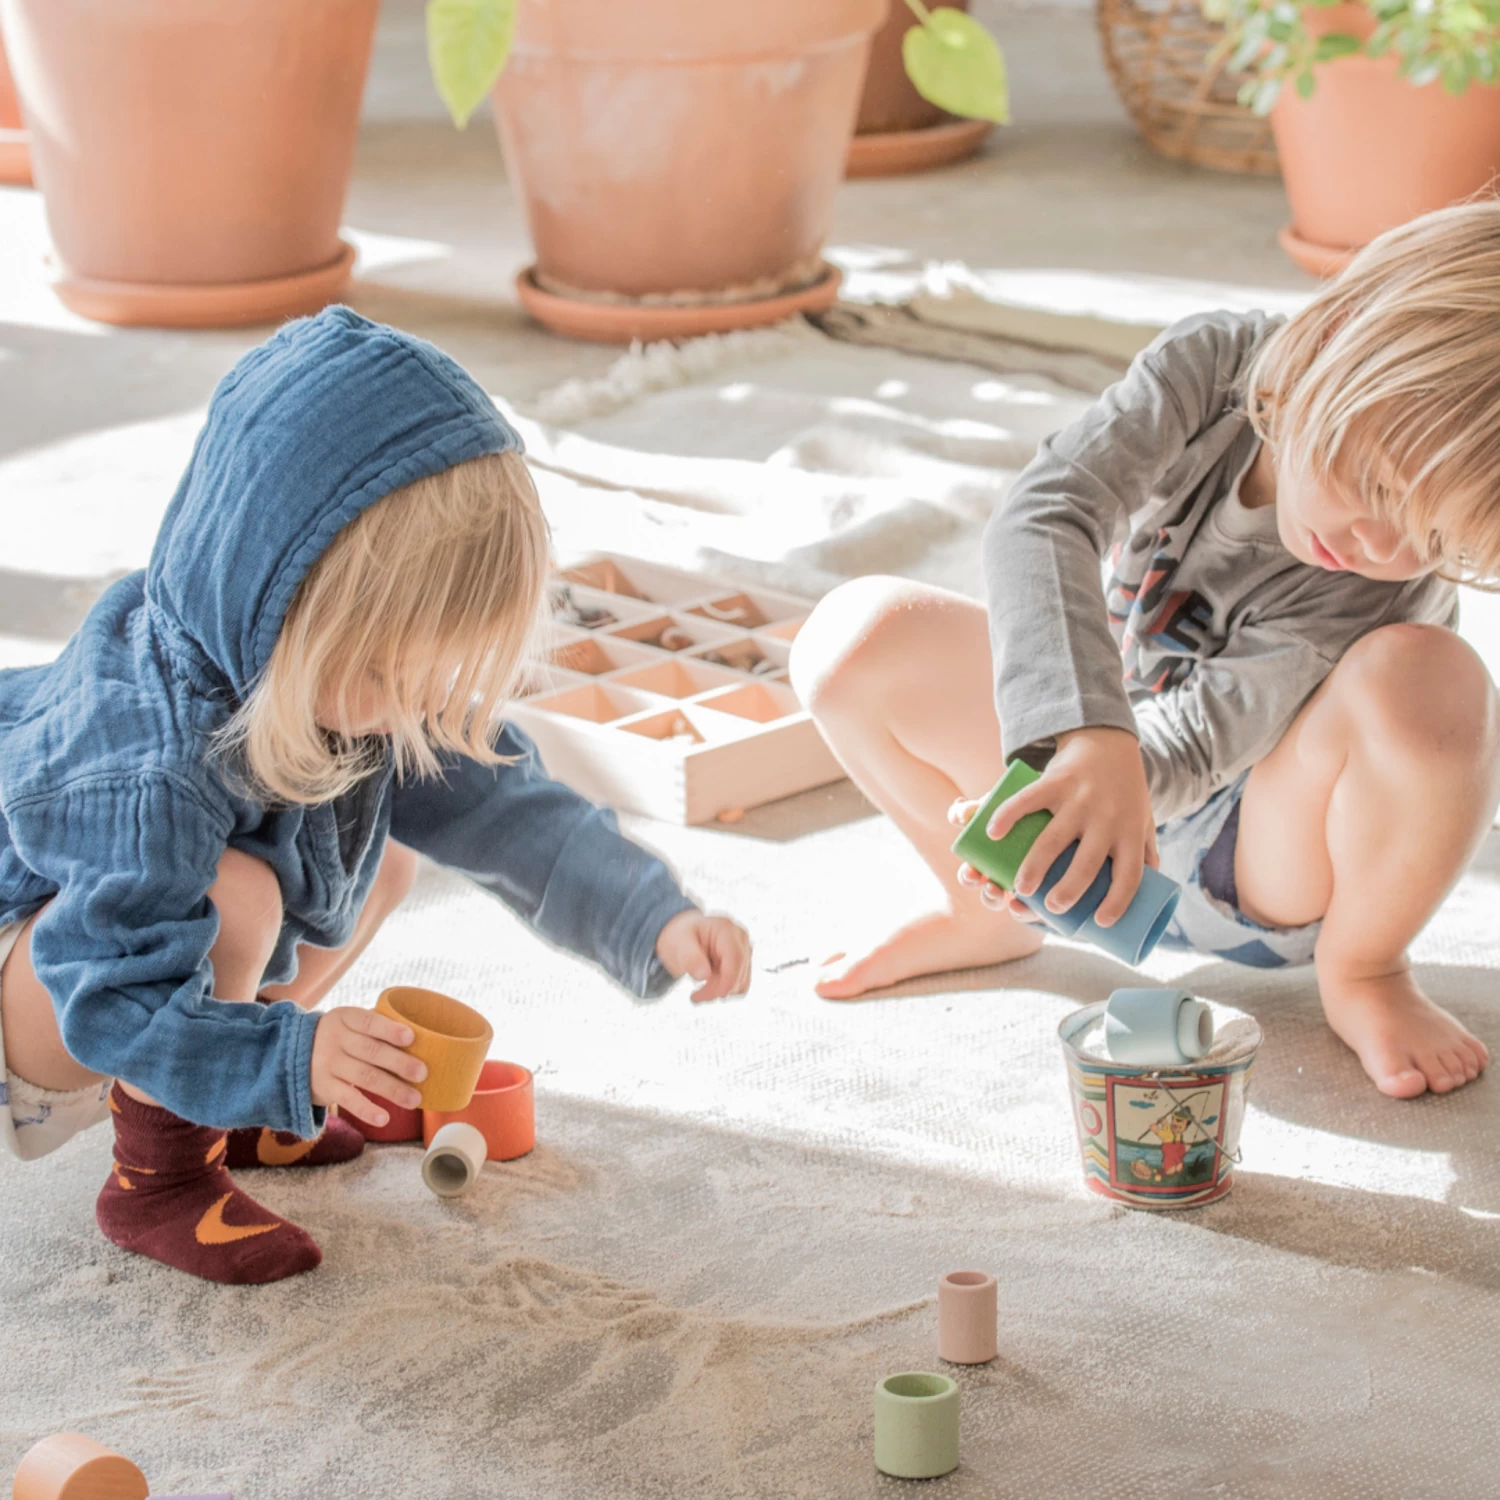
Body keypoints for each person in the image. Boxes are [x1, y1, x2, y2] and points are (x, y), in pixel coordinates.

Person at [0, 308, 751, 1284]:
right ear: (287, 614)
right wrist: (290, 1057)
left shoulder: (343, 685)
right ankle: (160, 1175)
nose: (416, 710)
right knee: (243, 897)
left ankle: (243, 1087)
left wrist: (650, 914)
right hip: (50, 984)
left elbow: (498, 802)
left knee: (381, 850)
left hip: (125, 967)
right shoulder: (140, 764)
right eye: (395, 675)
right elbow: (108, 1001)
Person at [791, 200, 1500, 1101]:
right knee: (854, 638)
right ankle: (982, 914)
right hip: (1110, 779)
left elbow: (1201, 745)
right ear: (1326, 340)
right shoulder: (1212, 367)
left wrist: (1081, 786)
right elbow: (1049, 512)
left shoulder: (1374, 582)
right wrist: (1060, 769)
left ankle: (1366, 967)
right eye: (1370, 482)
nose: (1377, 544)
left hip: (1259, 859)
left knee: (1429, 680)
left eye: (1430, 537)